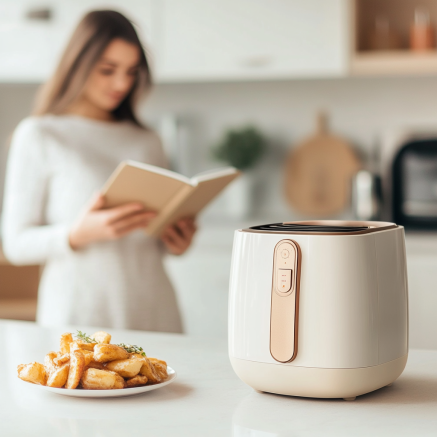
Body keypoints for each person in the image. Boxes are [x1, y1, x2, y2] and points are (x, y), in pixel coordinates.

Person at [1, 10, 197, 332]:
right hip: (81, 316)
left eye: (131, 72)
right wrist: (76, 234)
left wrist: (176, 241)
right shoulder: (40, 134)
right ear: (77, 64)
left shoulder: (148, 140)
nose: (121, 83)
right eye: (108, 70)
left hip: (154, 313)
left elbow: (152, 240)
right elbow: (15, 244)